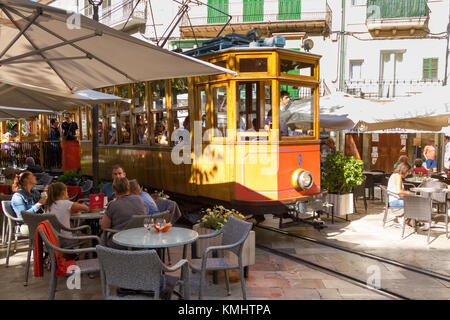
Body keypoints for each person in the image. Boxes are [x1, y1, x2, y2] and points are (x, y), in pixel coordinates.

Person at [100, 177, 146, 247]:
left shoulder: (113, 205)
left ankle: (104, 256)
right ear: (128, 187)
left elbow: (104, 227)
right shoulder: (139, 199)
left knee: (103, 236)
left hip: (120, 243)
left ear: (114, 190)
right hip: (139, 240)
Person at [45, 182, 89, 249]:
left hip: (51, 239)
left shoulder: (48, 205)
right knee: (86, 238)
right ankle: (80, 259)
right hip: (65, 239)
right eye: (67, 191)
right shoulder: (66, 203)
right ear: (63, 193)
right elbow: (86, 208)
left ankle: (66, 256)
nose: (67, 193)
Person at [387, 162, 413, 226]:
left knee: (412, 202)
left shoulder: (394, 175)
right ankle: (404, 219)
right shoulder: (398, 176)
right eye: (408, 171)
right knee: (414, 203)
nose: (408, 173)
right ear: (405, 170)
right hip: (394, 201)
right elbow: (399, 191)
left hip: (392, 199)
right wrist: (408, 193)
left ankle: (404, 219)